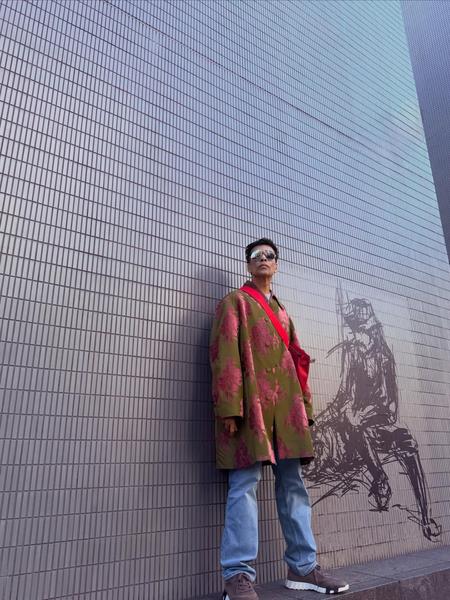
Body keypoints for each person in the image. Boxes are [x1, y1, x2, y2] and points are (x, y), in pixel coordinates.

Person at [210, 238, 349, 599]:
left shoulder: (283, 312)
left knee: (294, 485)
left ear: (276, 265)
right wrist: (230, 408)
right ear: (248, 265)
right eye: (256, 256)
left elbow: (297, 363)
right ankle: (237, 576)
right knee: (244, 484)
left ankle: (303, 567)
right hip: (251, 409)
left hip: (287, 411)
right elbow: (225, 354)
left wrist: (306, 409)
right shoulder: (235, 302)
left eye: (269, 255)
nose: (263, 259)